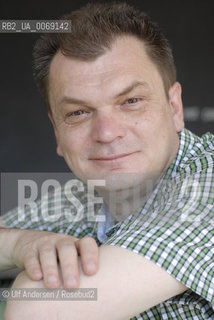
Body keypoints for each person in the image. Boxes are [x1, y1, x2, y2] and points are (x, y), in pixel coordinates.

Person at [1, 2, 213, 319]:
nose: (107, 132)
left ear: (174, 107)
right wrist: (19, 243)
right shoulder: (80, 197)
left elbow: (38, 308)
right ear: (57, 132)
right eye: (78, 113)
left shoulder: (206, 183)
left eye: (131, 101)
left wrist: (27, 274)